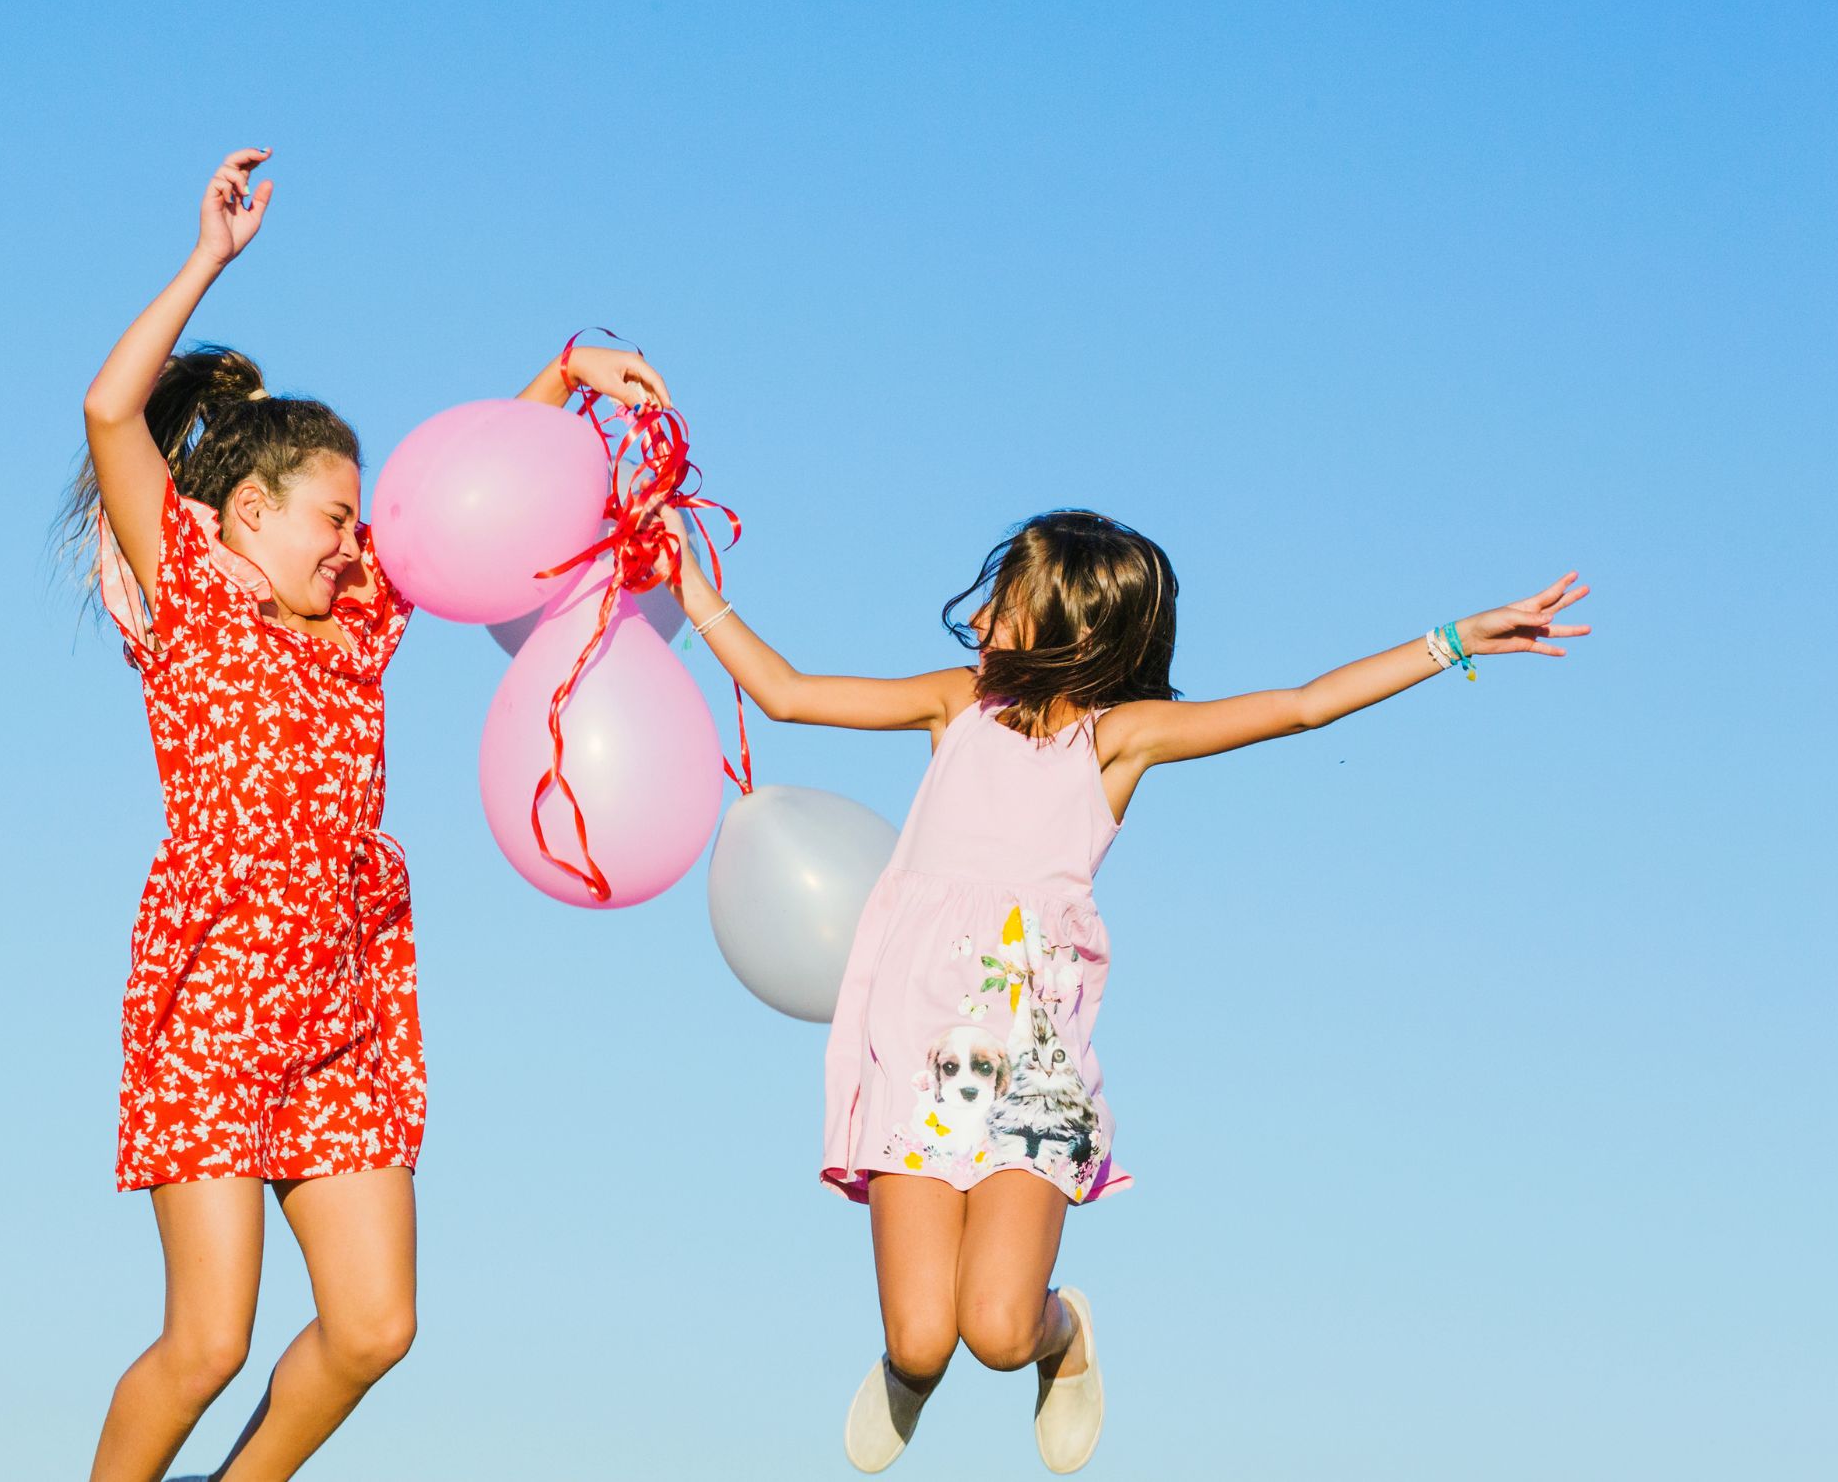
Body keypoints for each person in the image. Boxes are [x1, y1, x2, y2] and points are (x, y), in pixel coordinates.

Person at [663, 506, 1588, 1473]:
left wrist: (1452, 641)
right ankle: (907, 1366)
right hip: (918, 1054)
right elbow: (785, 694)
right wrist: (689, 578)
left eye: (1007, 599)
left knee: (998, 1331)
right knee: (923, 1342)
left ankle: (1061, 1336)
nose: (981, 612)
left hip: (1032, 1072)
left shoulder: (1119, 740)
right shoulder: (955, 704)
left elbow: (1303, 704)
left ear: (1070, 623)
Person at [61, 146, 668, 1482]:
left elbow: (467, 509)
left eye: (358, 523)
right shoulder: (195, 605)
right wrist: (209, 257)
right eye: (332, 518)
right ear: (242, 516)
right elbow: (113, 412)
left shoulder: (358, 625)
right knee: (207, 1342)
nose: (353, 543)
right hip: (217, 991)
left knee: (375, 1326)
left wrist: (563, 377)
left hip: (345, 1001)